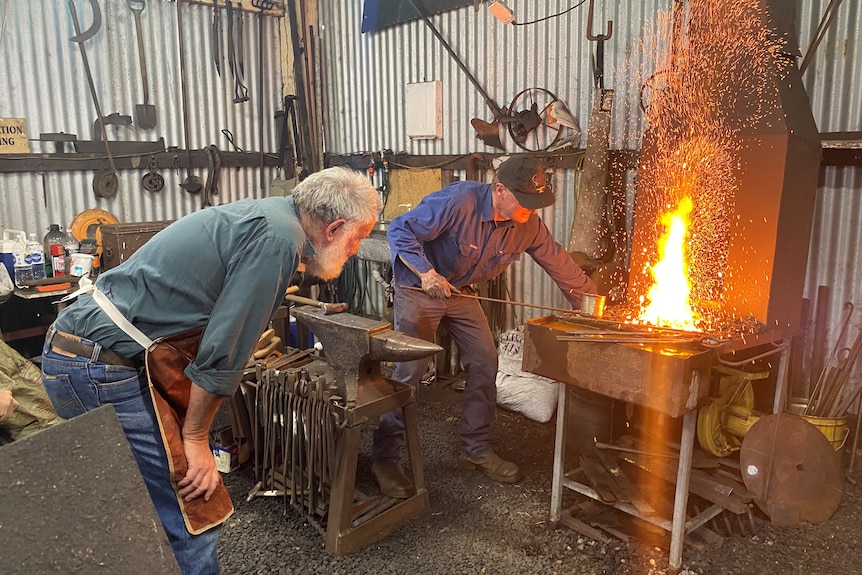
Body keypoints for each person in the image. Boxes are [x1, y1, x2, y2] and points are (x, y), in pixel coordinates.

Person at [40, 166, 382, 575]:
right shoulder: (278, 239)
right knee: (194, 507)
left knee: (141, 503)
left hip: (79, 354)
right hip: (99, 366)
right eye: (358, 237)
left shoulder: (272, 215)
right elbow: (224, 350)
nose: (356, 249)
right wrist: (197, 438)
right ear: (335, 227)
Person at [371, 155, 597, 498]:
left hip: (461, 291)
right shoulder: (457, 202)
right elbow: (401, 229)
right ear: (500, 190)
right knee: (409, 373)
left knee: (485, 360)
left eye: (537, 204)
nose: (530, 211)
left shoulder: (528, 224)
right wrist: (426, 272)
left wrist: (593, 306)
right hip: (419, 287)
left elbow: (559, 263)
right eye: (525, 202)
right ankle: (385, 459)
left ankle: (474, 449)